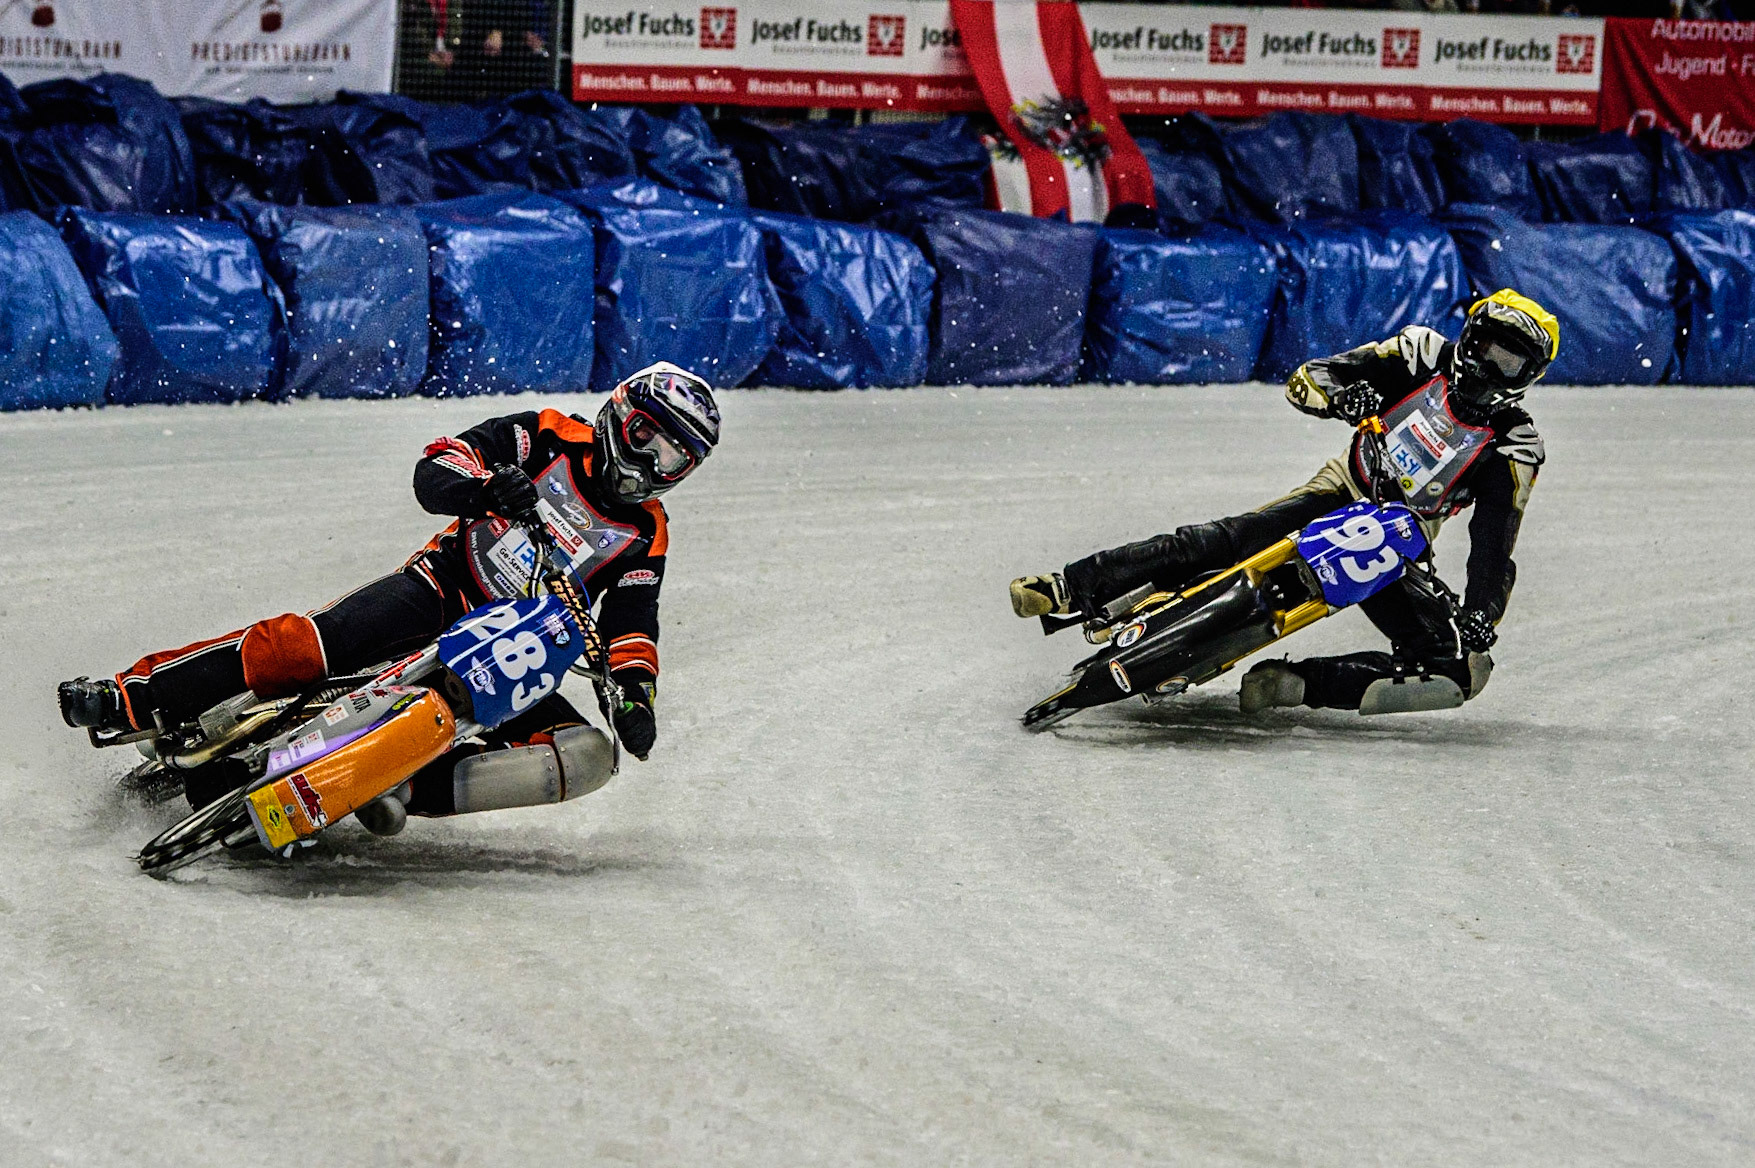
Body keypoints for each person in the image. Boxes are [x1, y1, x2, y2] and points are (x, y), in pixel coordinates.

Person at [59, 362, 720, 814]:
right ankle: (133, 695)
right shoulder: (547, 434)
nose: (649, 464)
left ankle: (393, 788)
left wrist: (636, 694)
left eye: (672, 459)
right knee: (311, 645)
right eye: (646, 439)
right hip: (438, 592)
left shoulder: (645, 532)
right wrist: (484, 487)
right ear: (617, 415)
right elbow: (438, 465)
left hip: (511, 656)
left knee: (586, 757)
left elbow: (634, 620)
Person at [1010, 290, 1555, 715]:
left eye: (1508, 361)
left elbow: (1494, 545)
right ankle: (1067, 586)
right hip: (1345, 485)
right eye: (1486, 346)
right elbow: (1310, 376)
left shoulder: (1515, 446)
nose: (1488, 365)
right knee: (1227, 539)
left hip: (1401, 535)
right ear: (1467, 338)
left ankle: (1296, 684)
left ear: (1527, 377)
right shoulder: (1417, 354)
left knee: (1461, 669)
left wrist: (1483, 612)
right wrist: (1341, 396)